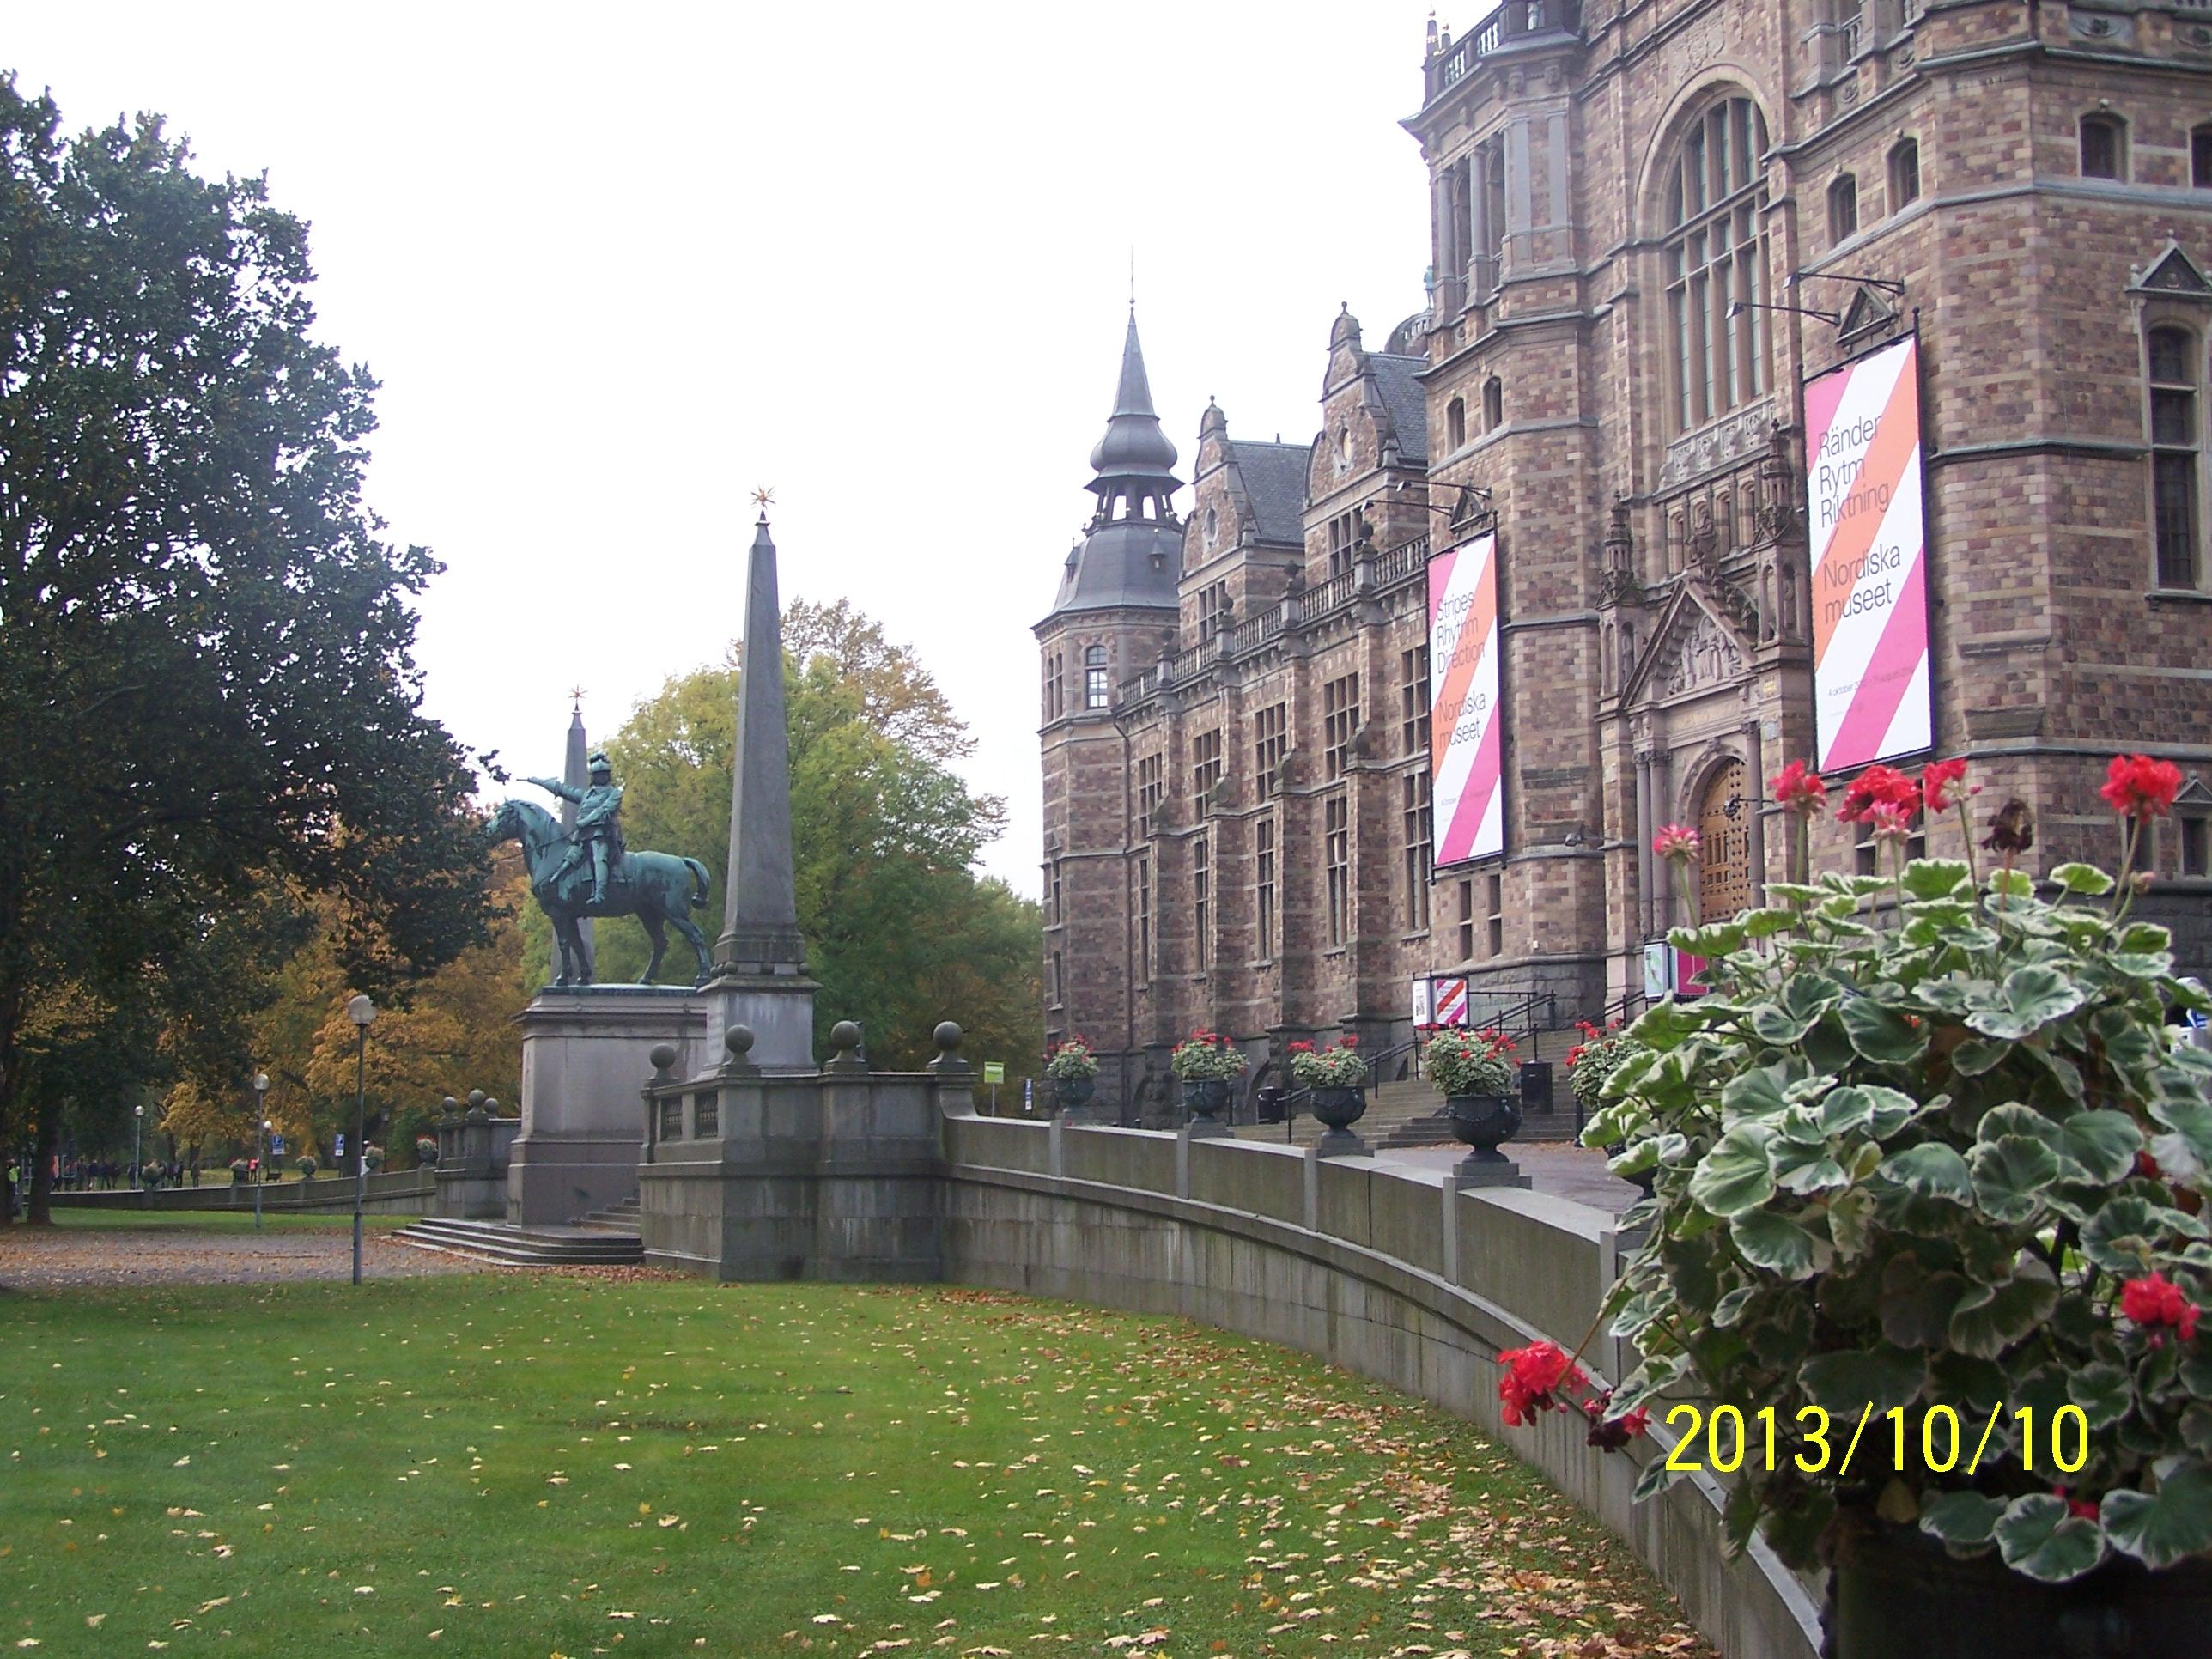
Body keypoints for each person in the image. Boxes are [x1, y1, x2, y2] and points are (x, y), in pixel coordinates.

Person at [529, 750, 626, 908]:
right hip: (582, 836)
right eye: (598, 774)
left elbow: (604, 810)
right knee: (568, 859)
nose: (601, 777)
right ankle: (555, 884)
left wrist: (586, 821)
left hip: (602, 835)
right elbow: (563, 790)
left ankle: (600, 894)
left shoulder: (614, 793)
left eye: (603, 774)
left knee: (599, 858)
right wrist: (539, 781)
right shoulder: (586, 795)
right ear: (593, 776)